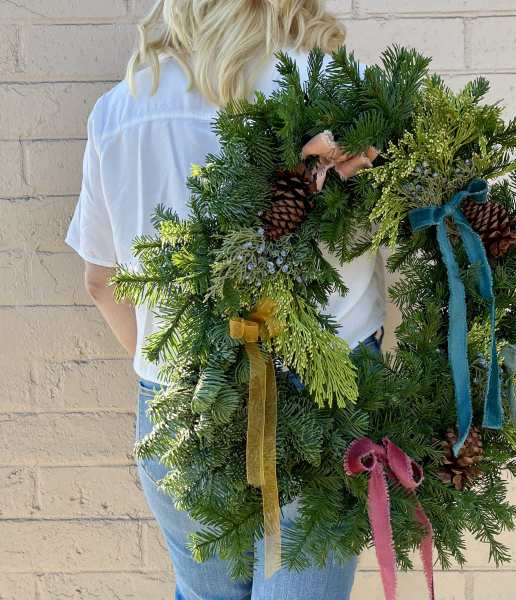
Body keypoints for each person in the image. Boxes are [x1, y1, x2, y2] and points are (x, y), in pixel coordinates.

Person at [65, 1, 387, 599]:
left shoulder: (120, 108)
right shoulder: (340, 93)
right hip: (322, 391)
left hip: (179, 396)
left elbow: (100, 281)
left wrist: (173, 372)